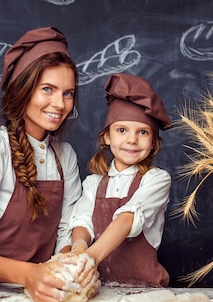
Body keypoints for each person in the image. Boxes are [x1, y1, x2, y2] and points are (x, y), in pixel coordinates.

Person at [0, 26, 88, 302]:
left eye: (68, 93)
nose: (59, 104)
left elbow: (66, 230)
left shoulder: (65, 156)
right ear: (23, 90)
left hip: (47, 295)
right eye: (47, 89)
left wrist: (65, 267)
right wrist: (29, 275)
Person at [68, 73, 172, 287]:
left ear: (153, 142)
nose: (132, 140)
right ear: (107, 137)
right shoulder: (93, 183)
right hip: (99, 288)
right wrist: (79, 248)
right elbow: (82, 222)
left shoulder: (156, 180)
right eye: (122, 130)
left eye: (143, 132)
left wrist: (89, 258)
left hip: (145, 291)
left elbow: (126, 220)